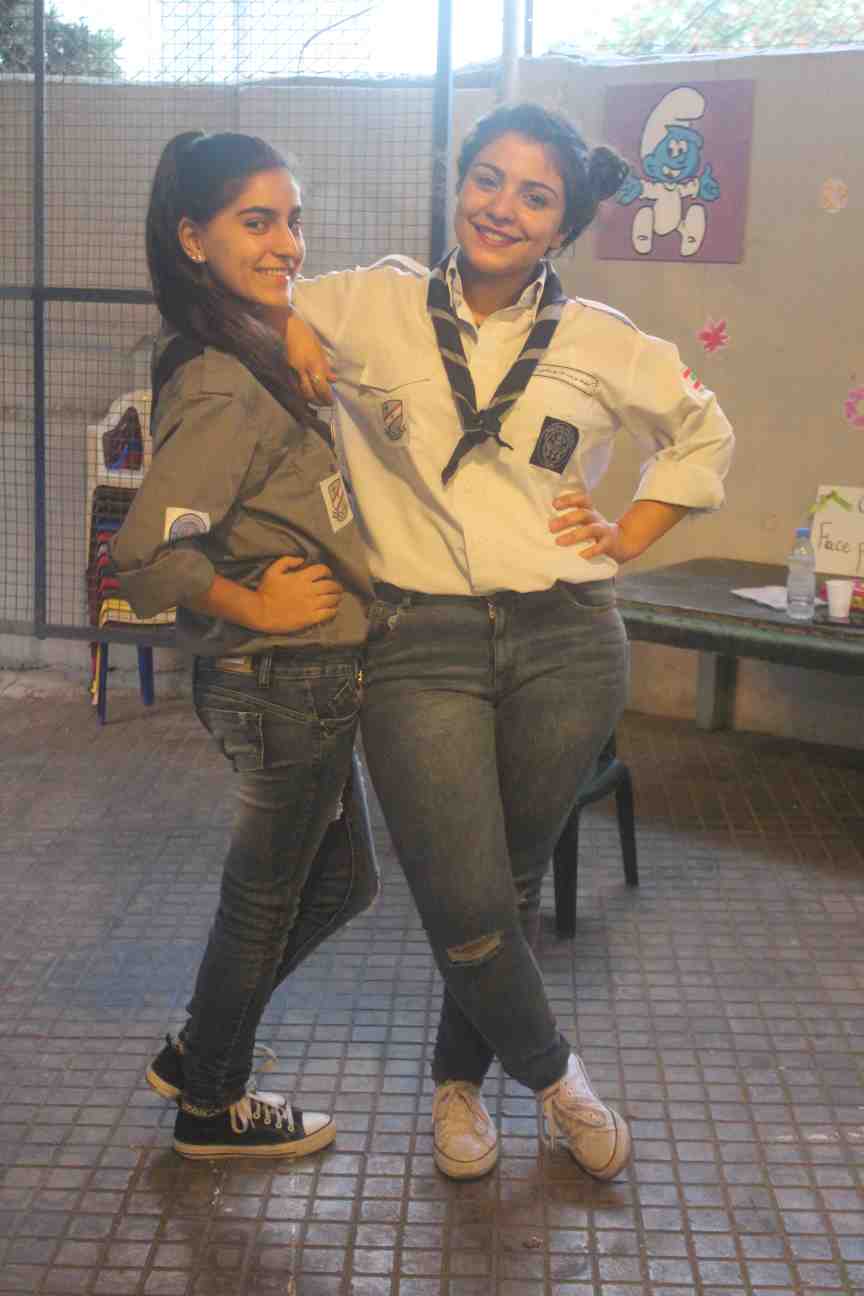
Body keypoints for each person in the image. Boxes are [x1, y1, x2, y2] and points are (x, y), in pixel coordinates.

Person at [286, 102, 735, 1182]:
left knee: (511, 880)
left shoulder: (602, 340)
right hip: (419, 640)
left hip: (566, 639)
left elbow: (704, 430)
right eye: (487, 178)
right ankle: (558, 1078)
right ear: (459, 182)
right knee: (461, 888)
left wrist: (629, 532)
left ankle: (458, 1082)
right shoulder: (374, 301)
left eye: (535, 197)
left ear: (561, 226)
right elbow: (251, 291)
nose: (501, 207)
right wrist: (288, 322)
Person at [111, 130, 379, 1160]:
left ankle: (201, 1052)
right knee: (264, 901)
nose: (287, 244)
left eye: (292, 221)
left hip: (308, 677)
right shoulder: (225, 382)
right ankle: (212, 1106)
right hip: (283, 678)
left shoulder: (250, 345)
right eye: (256, 223)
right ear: (193, 239)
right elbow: (144, 557)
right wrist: (255, 605)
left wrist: (294, 316)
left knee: (341, 883)